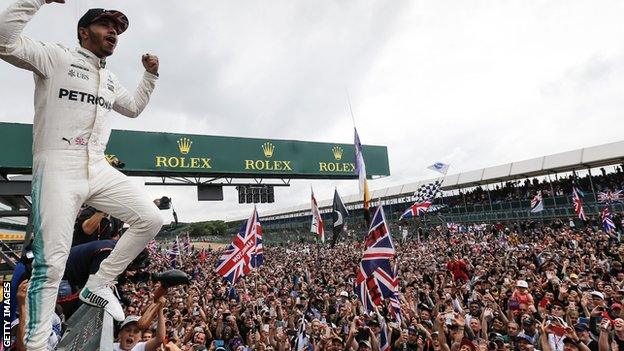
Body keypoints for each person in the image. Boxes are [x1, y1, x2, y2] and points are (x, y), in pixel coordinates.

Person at [0, 0, 162, 349]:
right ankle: (39, 343)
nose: (113, 33)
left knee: (150, 218)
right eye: (106, 26)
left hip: (97, 164)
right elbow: (3, 41)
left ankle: (100, 283)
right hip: (58, 163)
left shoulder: (110, 77)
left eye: (117, 30)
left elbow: (133, 108)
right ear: (83, 32)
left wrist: (149, 76)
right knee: (51, 262)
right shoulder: (56, 57)